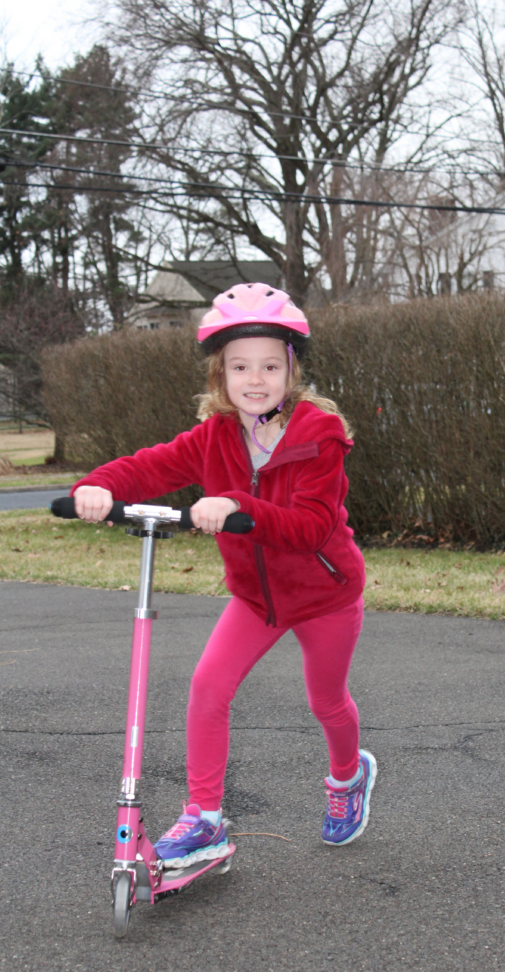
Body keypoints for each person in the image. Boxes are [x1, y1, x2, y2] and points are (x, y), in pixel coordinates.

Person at [72, 282, 376, 868]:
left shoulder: (319, 435)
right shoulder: (215, 436)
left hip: (325, 594)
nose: (255, 379)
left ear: (291, 371)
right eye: (240, 366)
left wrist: (238, 504)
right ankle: (203, 818)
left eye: (269, 366)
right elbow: (150, 466)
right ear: (221, 374)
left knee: (326, 700)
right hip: (257, 599)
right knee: (208, 688)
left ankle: (347, 777)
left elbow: (311, 527)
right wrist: (99, 485)